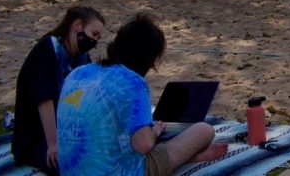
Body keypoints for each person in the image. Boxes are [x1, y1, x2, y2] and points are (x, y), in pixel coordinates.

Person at [57, 14, 227, 176]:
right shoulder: (133, 81)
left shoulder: (77, 73)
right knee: (203, 130)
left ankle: (187, 157)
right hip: (119, 171)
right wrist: (154, 132)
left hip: (70, 170)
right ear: (149, 58)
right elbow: (143, 145)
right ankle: (188, 158)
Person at [12, 7, 106, 175]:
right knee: (74, 166)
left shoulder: (81, 57)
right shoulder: (48, 48)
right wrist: (53, 144)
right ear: (77, 25)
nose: (95, 41)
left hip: (67, 130)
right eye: (94, 34)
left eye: (98, 37)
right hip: (36, 137)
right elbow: (44, 99)